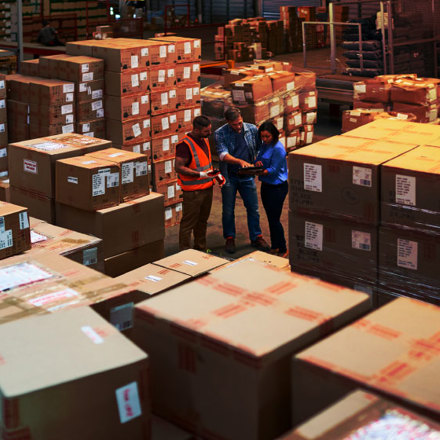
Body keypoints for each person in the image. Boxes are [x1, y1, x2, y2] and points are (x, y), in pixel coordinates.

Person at [215, 107, 270, 254]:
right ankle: (230, 237)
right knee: (228, 210)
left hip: (247, 176)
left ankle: (256, 236)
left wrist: (259, 161)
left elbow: (262, 147)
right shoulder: (220, 133)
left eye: (240, 123)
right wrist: (239, 161)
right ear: (228, 122)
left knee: (253, 208)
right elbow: (222, 155)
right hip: (229, 176)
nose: (239, 127)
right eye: (235, 125)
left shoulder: (252, 129)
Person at [175, 115, 221, 252]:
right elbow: (179, 167)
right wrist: (199, 174)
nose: (209, 133)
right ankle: (184, 252)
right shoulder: (185, 145)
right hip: (193, 192)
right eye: (206, 131)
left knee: (202, 221)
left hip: (207, 188)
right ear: (196, 130)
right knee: (188, 223)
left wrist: (216, 176)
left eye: (210, 130)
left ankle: (200, 248)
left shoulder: (204, 140)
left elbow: (205, 163)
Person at [255, 121, 288, 257]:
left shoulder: (279, 149)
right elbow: (259, 157)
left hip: (277, 187)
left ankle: (282, 247)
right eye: (262, 136)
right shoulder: (265, 145)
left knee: (275, 219)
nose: (265, 139)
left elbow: (274, 169)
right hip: (266, 185)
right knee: (270, 218)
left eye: (267, 136)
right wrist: (257, 163)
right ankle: (275, 246)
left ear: (274, 135)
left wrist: (262, 171)